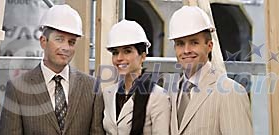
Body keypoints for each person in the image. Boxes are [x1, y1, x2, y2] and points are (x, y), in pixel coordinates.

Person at [0, 4, 104, 135]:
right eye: (59, 39)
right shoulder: (17, 88)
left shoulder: (92, 87)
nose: (66, 47)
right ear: (43, 41)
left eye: (71, 42)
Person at [167, 6, 253, 135]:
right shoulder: (172, 93)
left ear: (209, 46)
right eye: (180, 43)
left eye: (194, 42)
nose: (186, 50)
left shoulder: (230, 92)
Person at [102, 20, 171, 135]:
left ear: (143, 56)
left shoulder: (158, 97)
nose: (119, 58)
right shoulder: (108, 93)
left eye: (127, 51)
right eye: (115, 52)